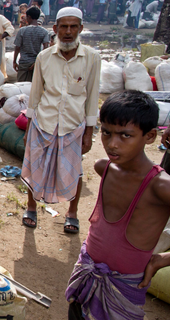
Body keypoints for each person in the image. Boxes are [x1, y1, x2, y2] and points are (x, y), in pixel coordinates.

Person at [65, 90, 170, 320]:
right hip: (86, 273)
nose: (112, 144)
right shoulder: (105, 168)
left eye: (125, 135)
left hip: (124, 289)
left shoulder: (160, 187)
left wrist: (163, 259)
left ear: (150, 136)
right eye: (106, 132)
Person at [21, 7, 100, 233]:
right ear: (54, 29)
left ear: (80, 29)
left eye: (73, 26)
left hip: (73, 126)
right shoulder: (44, 57)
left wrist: (88, 133)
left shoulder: (92, 58)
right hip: (43, 122)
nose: (68, 32)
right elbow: (35, 96)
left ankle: (72, 212)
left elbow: (92, 97)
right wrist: (28, 128)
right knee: (35, 166)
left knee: (75, 171)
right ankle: (31, 207)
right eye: (63, 27)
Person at [12, 6, 49, 82]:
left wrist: (14, 61)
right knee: (36, 85)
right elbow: (46, 49)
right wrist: (37, 62)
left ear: (29, 17)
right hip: (37, 64)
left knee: (21, 86)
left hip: (24, 63)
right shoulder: (44, 32)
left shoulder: (22, 31)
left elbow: (17, 47)